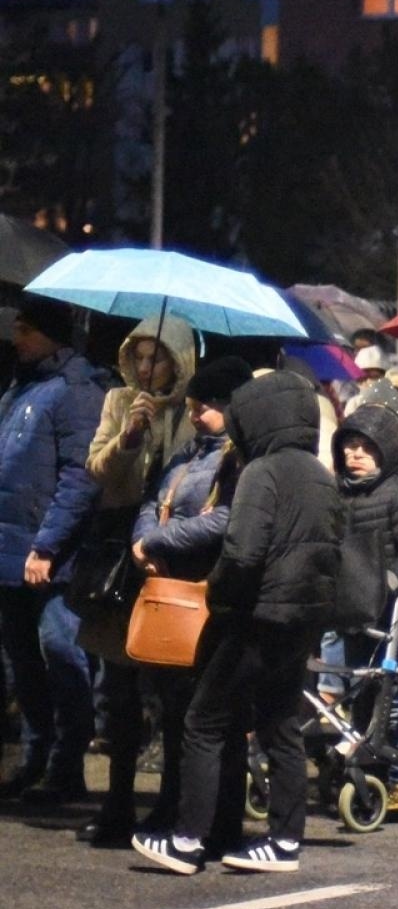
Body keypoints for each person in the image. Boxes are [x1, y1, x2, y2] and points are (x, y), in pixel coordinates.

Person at [133, 371, 343, 875]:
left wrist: (219, 594)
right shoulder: (319, 474)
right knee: (280, 724)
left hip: (256, 616)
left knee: (203, 720)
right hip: (303, 617)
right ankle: (284, 841)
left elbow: (242, 553)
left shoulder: (260, 472)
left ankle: (187, 839)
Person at [99, 357, 252, 850]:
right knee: (171, 706)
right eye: (191, 405)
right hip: (168, 589)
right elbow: (152, 499)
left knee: (206, 713)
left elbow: (225, 519)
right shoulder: (188, 452)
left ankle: (211, 818)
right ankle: (171, 803)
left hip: (209, 593)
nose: (195, 414)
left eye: (205, 406)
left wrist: (160, 540)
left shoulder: (237, 458)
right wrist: (143, 540)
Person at [77, 313, 197, 838]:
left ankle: (171, 804)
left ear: (179, 360)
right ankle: (117, 804)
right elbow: (97, 470)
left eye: (158, 358)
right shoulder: (119, 400)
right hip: (118, 554)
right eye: (140, 357)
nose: (147, 368)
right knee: (118, 687)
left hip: (171, 557)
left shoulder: (194, 408)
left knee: (172, 688)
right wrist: (129, 437)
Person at [0, 296, 106, 802]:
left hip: (51, 557)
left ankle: (66, 768)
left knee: (61, 655)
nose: (16, 337)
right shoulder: (22, 387)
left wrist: (46, 546)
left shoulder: (76, 391)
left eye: (26, 329)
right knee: (22, 662)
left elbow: (79, 479)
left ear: (51, 335)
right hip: (11, 550)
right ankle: (35, 758)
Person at [324, 404, 398, 815]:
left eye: (366, 447)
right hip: (349, 609)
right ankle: (367, 773)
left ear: (384, 451)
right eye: (349, 446)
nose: (355, 454)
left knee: (392, 700)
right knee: (360, 695)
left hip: (391, 614)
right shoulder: (337, 493)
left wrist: (387, 579)